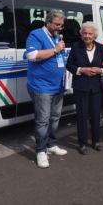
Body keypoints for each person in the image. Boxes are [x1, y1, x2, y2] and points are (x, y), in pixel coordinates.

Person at [25, 9, 68, 168]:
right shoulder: (36, 34)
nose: (59, 28)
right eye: (57, 24)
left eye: (61, 25)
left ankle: (51, 145)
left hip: (58, 86)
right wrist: (55, 49)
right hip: (41, 86)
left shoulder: (57, 37)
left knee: (55, 117)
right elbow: (32, 56)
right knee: (43, 120)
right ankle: (41, 151)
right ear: (48, 22)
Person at [66, 21, 103, 155]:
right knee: (82, 116)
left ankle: (96, 141)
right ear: (81, 34)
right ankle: (82, 143)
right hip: (81, 87)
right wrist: (81, 70)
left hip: (96, 87)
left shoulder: (101, 48)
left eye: (90, 33)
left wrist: (100, 71)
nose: (87, 36)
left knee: (96, 115)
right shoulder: (76, 46)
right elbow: (69, 65)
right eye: (85, 33)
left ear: (94, 35)